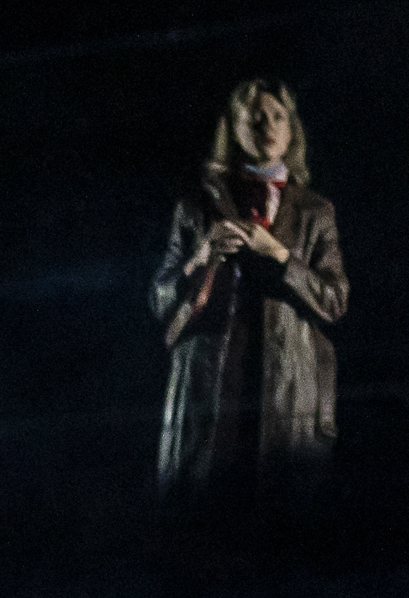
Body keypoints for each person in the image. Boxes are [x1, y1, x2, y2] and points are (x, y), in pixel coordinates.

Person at [149, 77, 348, 502]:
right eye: (254, 118)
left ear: (292, 129)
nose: (267, 126)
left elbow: (335, 300)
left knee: (277, 517)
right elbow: (161, 297)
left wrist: (279, 254)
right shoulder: (196, 207)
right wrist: (201, 255)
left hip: (286, 387)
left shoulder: (315, 211)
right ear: (234, 128)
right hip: (212, 383)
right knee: (206, 513)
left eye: (277, 116)